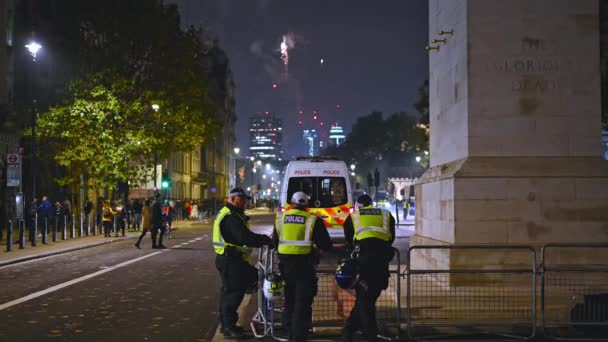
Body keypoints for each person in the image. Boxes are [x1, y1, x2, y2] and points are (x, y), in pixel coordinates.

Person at [272, 191, 332, 342]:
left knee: (289, 299)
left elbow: (275, 242)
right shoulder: (312, 219)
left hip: (285, 266)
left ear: (292, 204)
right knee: (302, 302)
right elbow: (325, 243)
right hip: (304, 267)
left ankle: (288, 329)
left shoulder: (280, 218)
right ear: (306, 206)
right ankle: (298, 336)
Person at [213, 188, 273, 339]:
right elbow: (243, 237)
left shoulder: (231, 213)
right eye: (242, 199)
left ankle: (226, 325)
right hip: (230, 260)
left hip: (230, 259)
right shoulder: (230, 216)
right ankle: (229, 328)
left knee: (230, 291)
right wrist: (264, 240)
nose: (245, 202)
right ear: (233, 198)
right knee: (233, 294)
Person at [342, 194, 395, 342]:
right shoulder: (385, 214)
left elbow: (348, 237)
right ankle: (352, 330)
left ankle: (364, 333)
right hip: (381, 263)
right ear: (371, 204)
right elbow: (391, 237)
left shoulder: (354, 216)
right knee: (368, 298)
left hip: (363, 263)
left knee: (365, 300)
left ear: (359, 205)